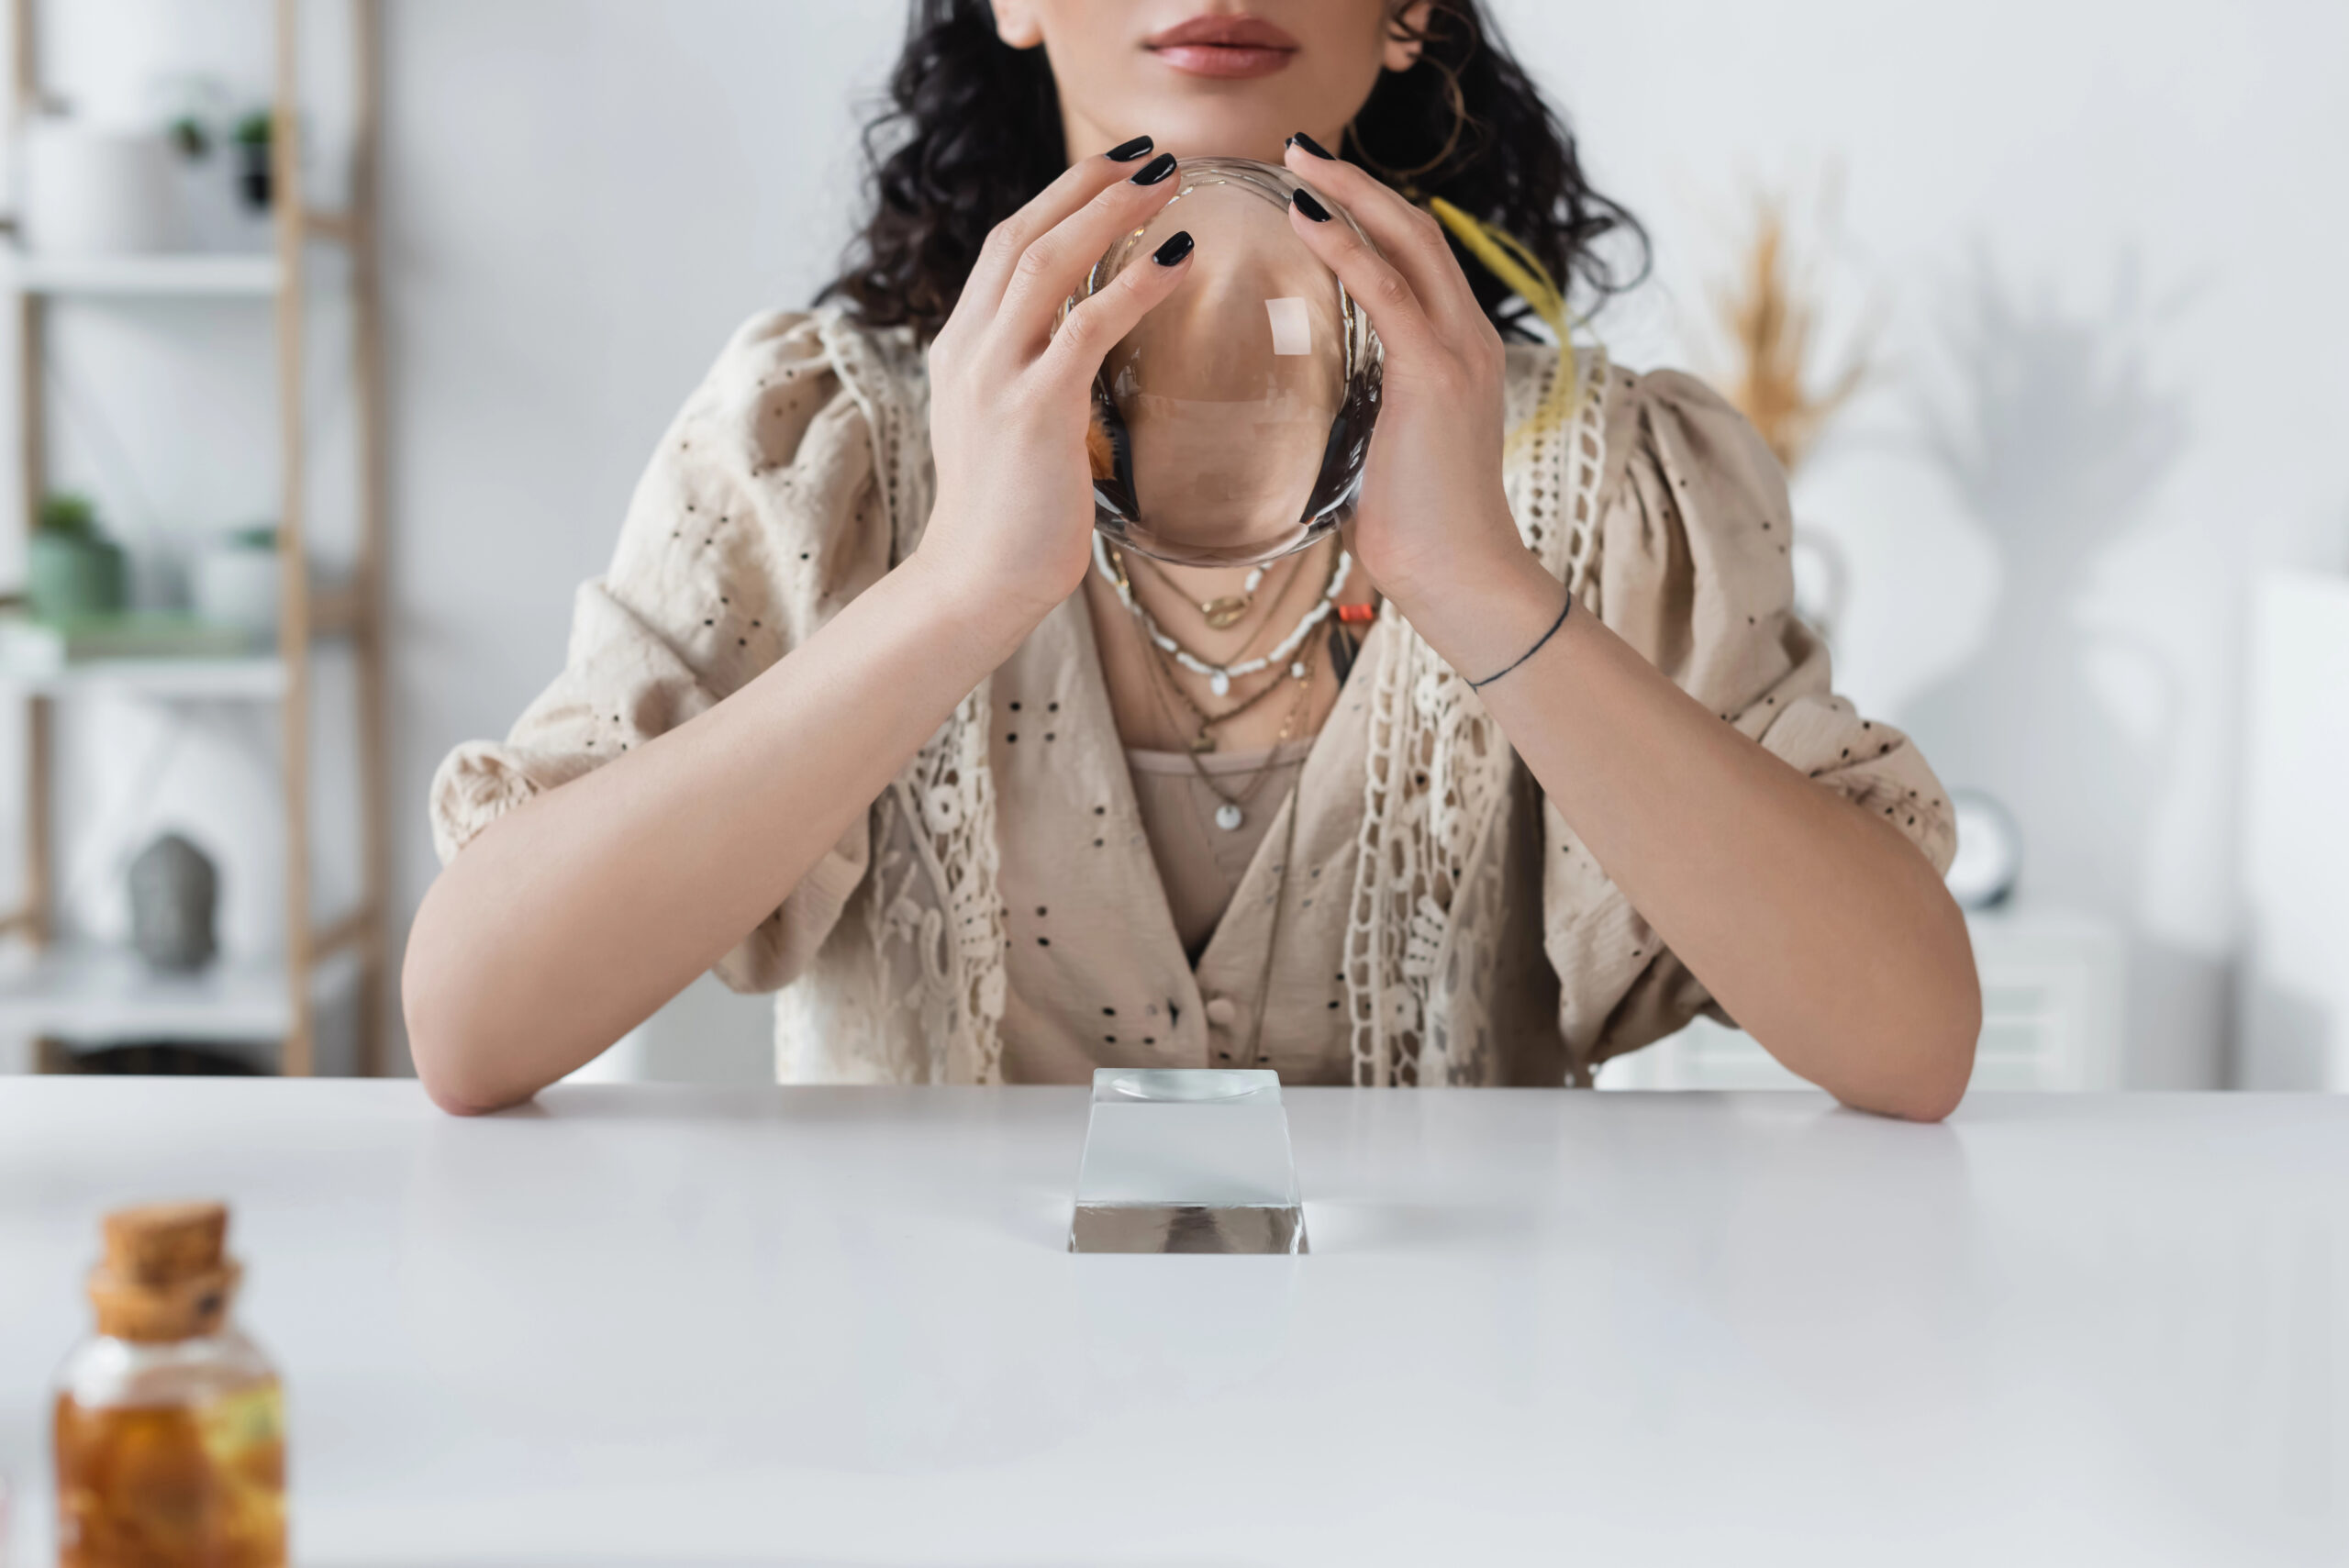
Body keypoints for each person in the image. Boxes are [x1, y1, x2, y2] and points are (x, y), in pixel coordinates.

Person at [405, 0, 1980, 1118]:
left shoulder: (1608, 475)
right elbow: (472, 1021)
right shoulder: (813, 444)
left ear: (1414, 10)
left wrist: (1485, 588)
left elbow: (1911, 1043)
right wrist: (956, 592)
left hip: (1449, 1465)